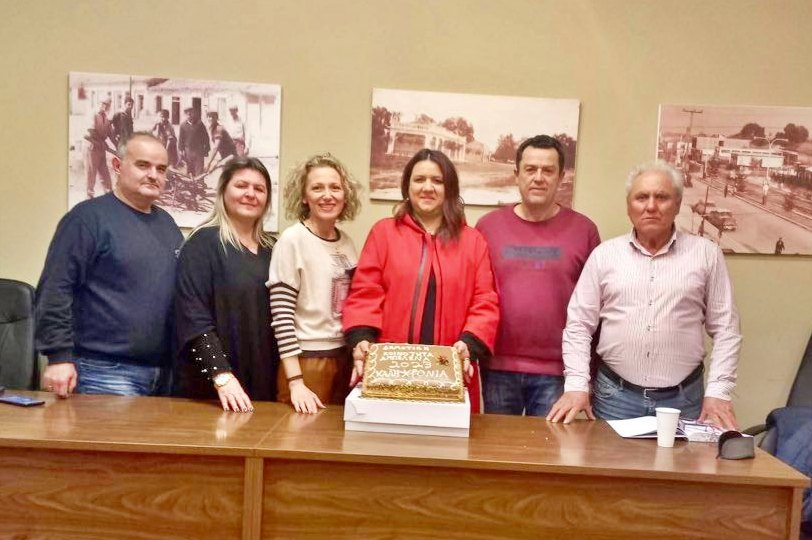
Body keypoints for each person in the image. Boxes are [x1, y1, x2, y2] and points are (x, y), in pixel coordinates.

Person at [547, 160, 742, 430]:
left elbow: (726, 329)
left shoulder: (706, 255)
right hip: (615, 398)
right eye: (641, 197)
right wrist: (576, 385)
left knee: (681, 460)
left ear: (677, 204)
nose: (651, 206)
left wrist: (719, 391)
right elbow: (579, 325)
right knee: (608, 460)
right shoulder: (604, 256)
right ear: (629, 206)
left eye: (661, 197)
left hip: (684, 400)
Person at [342, 148, 499, 413]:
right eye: (419, 179)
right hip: (390, 371)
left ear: (449, 188)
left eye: (437, 180)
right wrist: (362, 338)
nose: (427, 187)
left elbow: (485, 301)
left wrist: (469, 345)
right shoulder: (383, 233)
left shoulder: (473, 241)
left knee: (445, 439)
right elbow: (364, 292)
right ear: (407, 186)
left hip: (449, 372)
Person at [37, 132, 183, 397]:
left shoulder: (168, 224)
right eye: (143, 165)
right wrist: (58, 357)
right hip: (103, 371)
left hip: (163, 375)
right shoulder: (87, 219)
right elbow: (56, 288)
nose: (153, 175)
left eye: (161, 169)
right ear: (117, 165)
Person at [476, 135, 600, 416]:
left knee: (548, 445)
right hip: (497, 367)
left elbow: (596, 307)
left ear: (561, 177)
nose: (539, 178)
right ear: (517, 174)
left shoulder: (584, 231)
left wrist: (587, 374)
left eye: (548, 170)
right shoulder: (488, 227)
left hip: (557, 371)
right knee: (497, 444)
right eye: (530, 169)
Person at [174, 157, 279, 412]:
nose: (250, 194)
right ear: (223, 191)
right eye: (241, 185)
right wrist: (221, 375)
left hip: (265, 380)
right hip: (217, 387)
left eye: (259, 188)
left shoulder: (274, 248)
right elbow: (192, 317)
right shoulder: (202, 244)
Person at [268, 154, 362, 413]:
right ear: (304, 196)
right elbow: (282, 316)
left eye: (335, 187)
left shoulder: (347, 242)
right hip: (307, 361)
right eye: (317, 188)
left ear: (345, 195)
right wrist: (296, 382)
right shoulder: (292, 240)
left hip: (343, 356)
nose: (327, 195)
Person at [84, 97, 114, 199]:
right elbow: (90, 132)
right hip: (91, 147)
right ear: (100, 103)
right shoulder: (93, 114)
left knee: (105, 174)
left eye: (108, 105)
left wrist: (119, 148)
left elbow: (111, 134)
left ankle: (109, 197)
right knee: (91, 174)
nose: (106, 106)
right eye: (104, 104)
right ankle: (89, 198)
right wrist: (101, 142)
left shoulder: (106, 117)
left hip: (101, 148)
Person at [178, 107, 210, 178]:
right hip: (188, 151)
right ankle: (190, 184)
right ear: (185, 115)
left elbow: (206, 137)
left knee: (199, 171)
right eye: (187, 114)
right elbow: (181, 139)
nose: (189, 115)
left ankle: (199, 184)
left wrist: (206, 149)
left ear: (193, 114)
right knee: (189, 170)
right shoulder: (183, 125)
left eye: (191, 113)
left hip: (198, 151)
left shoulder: (200, 124)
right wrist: (180, 150)